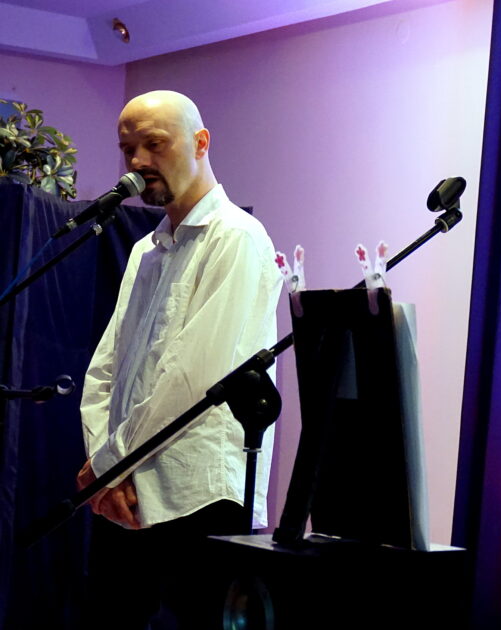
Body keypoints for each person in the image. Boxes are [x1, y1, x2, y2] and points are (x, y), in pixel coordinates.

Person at [76, 90, 282, 628]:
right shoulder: (146, 250)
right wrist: (104, 465)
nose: (138, 161)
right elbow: (106, 369)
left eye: (154, 144)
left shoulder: (237, 238)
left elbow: (193, 378)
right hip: (125, 492)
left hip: (197, 496)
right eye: (128, 149)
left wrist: (109, 466)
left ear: (201, 143)